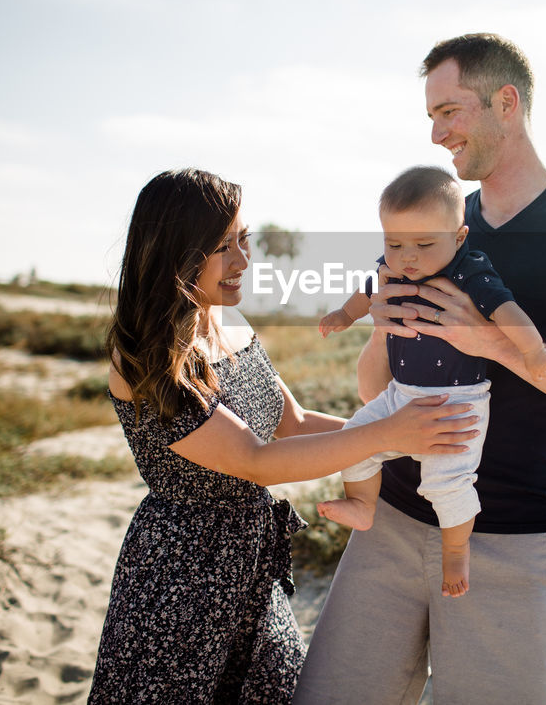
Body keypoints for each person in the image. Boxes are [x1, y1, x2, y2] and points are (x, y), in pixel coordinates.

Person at [293, 34, 546, 705]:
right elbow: (377, 387)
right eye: (429, 116)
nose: (436, 135)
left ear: (507, 102)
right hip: (392, 527)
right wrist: (379, 328)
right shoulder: (432, 227)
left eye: (449, 111)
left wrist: (493, 341)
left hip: (514, 548)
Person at [88, 168, 480, 704]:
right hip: (181, 576)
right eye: (221, 246)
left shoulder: (233, 324)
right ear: (175, 253)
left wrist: (397, 443)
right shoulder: (147, 355)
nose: (243, 261)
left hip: (252, 567)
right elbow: (255, 459)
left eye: (243, 240)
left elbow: (290, 423)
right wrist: (386, 432)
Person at [316, 165, 546, 599]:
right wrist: (344, 315)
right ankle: (363, 505)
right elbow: (367, 291)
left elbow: (508, 312)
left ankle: (455, 552)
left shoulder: (468, 272)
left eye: (424, 244)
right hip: (400, 394)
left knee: (448, 482)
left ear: (459, 238)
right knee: (354, 438)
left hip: (457, 400)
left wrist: (534, 352)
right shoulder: (394, 272)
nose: (408, 256)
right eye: (394, 243)